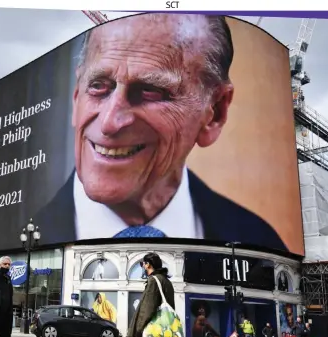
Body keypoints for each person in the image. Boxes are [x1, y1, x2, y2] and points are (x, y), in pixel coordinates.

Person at [35, 13, 287, 253]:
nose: (109, 123)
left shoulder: (260, 240)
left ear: (215, 112)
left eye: (150, 91)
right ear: (76, 96)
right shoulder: (22, 238)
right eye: (98, 86)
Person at [124, 252, 179, 337]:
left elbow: (147, 308)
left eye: (142, 264)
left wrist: (139, 330)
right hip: (166, 332)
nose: (143, 266)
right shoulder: (166, 281)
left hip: (154, 333)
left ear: (148, 264)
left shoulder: (154, 280)